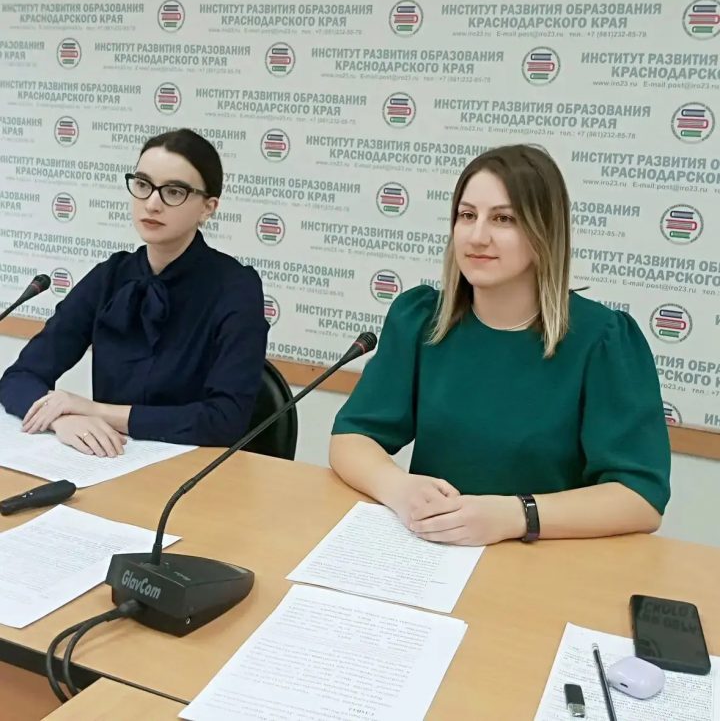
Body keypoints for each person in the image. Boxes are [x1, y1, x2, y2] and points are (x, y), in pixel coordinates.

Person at [330, 144, 670, 546]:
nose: (478, 237)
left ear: (544, 231)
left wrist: (517, 515)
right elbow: (351, 439)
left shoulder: (603, 340)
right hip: (436, 553)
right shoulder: (421, 320)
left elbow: (639, 498)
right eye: (467, 215)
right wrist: (399, 489)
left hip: (546, 557)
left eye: (503, 219)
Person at [0, 128, 268, 457]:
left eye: (174, 192)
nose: (152, 204)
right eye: (143, 185)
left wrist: (94, 411)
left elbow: (225, 421)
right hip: (110, 459)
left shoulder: (236, 287)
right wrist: (61, 418)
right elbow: (20, 377)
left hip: (197, 465)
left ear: (208, 207)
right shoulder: (110, 276)